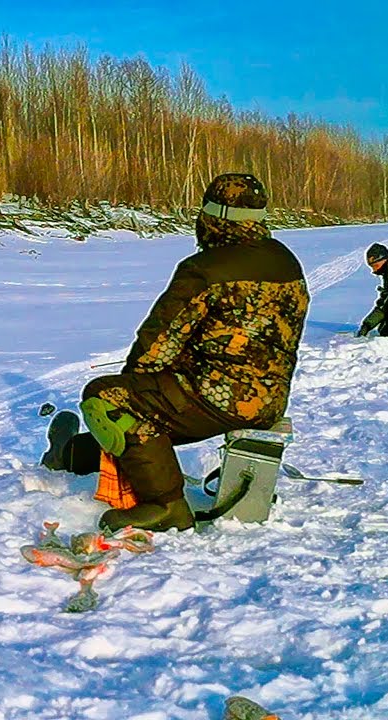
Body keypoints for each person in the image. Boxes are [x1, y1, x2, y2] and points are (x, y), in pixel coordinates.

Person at [40, 173, 309, 533]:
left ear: (212, 218)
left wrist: (132, 387)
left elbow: (157, 344)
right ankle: (72, 454)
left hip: (219, 400)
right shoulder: (286, 261)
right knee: (145, 422)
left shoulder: (205, 269)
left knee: (109, 400)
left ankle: (165, 505)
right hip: (270, 400)